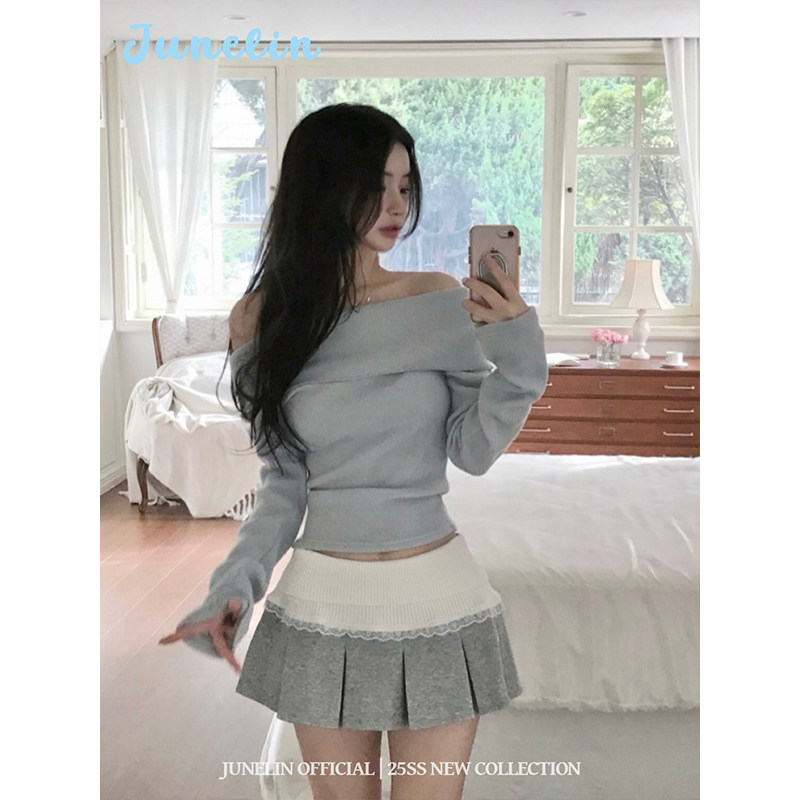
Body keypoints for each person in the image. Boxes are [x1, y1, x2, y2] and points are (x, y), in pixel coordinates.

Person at [159, 103, 547, 800]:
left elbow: (473, 450)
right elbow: (283, 485)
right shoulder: (264, 320)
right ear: (322, 187)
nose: (397, 206)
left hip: (438, 596)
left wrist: (518, 352)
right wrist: (233, 588)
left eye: (405, 185)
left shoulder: (436, 300)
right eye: (377, 185)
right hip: (322, 604)